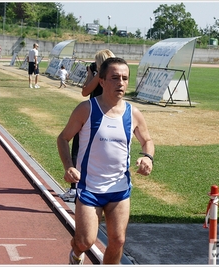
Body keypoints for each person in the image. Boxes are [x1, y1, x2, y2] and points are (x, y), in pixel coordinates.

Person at [57, 57, 155, 264]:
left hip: (119, 188)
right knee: (85, 241)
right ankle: (76, 252)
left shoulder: (133, 113)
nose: (121, 83)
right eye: (115, 78)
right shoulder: (87, 109)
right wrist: (68, 167)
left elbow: (147, 140)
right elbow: (63, 138)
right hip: (90, 188)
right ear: (102, 81)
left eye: (125, 78)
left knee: (118, 240)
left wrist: (148, 157)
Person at [59, 49, 115, 202]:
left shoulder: (104, 75)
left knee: (80, 150)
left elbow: (86, 91)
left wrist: (96, 74)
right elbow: (85, 89)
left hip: (94, 115)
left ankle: (74, 189)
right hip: (99, 112)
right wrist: (90, 73)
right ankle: (78, 186)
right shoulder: (104, 73)